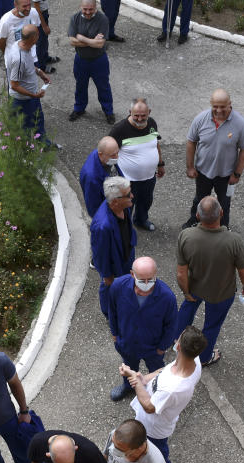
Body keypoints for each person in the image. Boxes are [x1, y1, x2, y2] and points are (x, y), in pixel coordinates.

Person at [176, 196, 244, 366]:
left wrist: (186, 292)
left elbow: (181, 273)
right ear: (221, 213)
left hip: (195, 287)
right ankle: (204, 357)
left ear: (197, 216)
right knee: (212, 326)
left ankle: (177, 342)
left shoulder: (186, 236)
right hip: (221, 293)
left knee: (186, 310)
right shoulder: (233, 241)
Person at [120, 325, 206, 463]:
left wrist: (135, 380)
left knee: (157, 452)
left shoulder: (172, 389)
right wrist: (145, 379)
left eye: (179, 338)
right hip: (158, 417)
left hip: (154, 428)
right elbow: (164, 370)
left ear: (178, 347)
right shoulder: (191, 360)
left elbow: (149, 406)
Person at [107, 255, 177, 402]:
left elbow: (171, 325)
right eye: (142, 280)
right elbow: (112, 311)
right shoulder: (118, 287)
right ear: (132, 274)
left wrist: (161, 348)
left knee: (156, 370)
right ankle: (128, 387)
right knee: (128, 369)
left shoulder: (167, 297)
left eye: (150, 279)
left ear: (156, 274)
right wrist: (115, 334)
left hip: (153, 347)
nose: (146, 284)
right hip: (127, 343)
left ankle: (156, 390)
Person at [184, 89, 244, 229]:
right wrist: (190, 167)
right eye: (215, 106)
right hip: (203, 171)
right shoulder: (200, 119)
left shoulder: (240, 124)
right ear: (211, 104)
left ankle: (223, 227)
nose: (219, 110)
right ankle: (194, 221)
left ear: (230, 104)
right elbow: (191, 142)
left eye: (223, 106)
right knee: (200, 200)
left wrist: (237, 173)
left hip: (226, 175)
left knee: (224, 203)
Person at [108, 98, 164, 231]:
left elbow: (156, 144)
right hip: (128, 180)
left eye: (143, 115)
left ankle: (141, 220)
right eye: (136, 115)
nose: (139, 119)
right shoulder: (119, 129)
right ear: (129, 112)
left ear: (149, 112)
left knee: (146, 202)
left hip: (149, 177)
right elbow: (108, 151)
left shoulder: (152, 124)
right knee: (127, 205)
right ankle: (124, 228)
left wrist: (160, 164)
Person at [90, 176, 136, 318]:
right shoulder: (102, 226)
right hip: (114, 264)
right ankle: (109, 312)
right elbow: (100, 254)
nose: (132, 196)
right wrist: (107, 275)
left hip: (126, 255)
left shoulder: (124, 207)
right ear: (116, 201)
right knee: (108, 286)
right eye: (128, 195)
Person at [67, 0, 115, 124]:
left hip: (99, 61)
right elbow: (72, 41)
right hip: (81, 60)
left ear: (95, 7)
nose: (87, 12)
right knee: (80, 86)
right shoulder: (75, 18)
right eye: (85, 9)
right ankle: (79, 109)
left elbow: (100, 44)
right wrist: (91, 41)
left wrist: (81, 38)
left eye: (90, 9)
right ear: (81, 7)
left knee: (103, 87)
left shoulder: (103, 19)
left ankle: (108, 112)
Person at [5, 25, 52, 144]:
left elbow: (29, 65)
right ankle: (26, 153)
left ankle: (43, 144)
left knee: (38, 119)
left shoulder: (24, 45)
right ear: (33, 38)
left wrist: (40, 73)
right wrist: (34, 95)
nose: (39, 35)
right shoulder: (18, 59)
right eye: (37, 33)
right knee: (24, 128)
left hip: (31, 97)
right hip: (23, 100)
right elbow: (14, 85)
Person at [78, 136, 122, 217]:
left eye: (117, 153)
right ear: (101, 155)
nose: (117, 157)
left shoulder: (105, 156)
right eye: (113, 155)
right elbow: (94, 208)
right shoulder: (91, 178)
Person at [32, 0, 60, 73]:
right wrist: (44, 26)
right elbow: (37, 8)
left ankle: (45, 57)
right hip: (39, 16)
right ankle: (40, 67)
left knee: (44, 38)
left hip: (44, 13)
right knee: (40, 41)